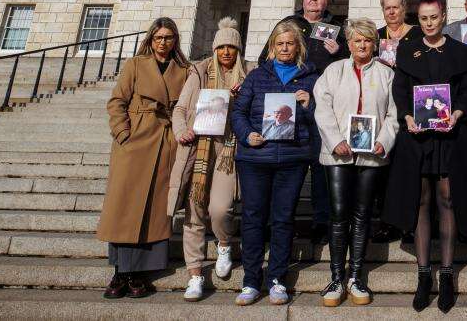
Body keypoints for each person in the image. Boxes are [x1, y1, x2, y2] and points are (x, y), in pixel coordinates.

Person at [384, 0, 467, 313]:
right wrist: (407, 116)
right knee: (422, 199)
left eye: (434, 17)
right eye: (423, 18)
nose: (428, 23)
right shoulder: (407, 49)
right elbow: (400, 89)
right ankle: (424, 275)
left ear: (443, 17)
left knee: (448, 198)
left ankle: (448, 273)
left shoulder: (461, 51)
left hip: (450, 135)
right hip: (418, 137)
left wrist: (458, 113)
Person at [97, 17, 190, 300]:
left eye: (169, 38)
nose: (163, 43)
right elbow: (117, 102)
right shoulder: (135, 65)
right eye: (159, 38)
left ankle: (140, 273)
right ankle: (121, 271)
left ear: (175, 41)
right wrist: (122, 132)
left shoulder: (185, 71)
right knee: (126, 206)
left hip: (165, 141)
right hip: (135, 141)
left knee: (154, 208)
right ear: (150, 39)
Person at [232, 20, 319, 306]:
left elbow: (318, 120)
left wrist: (308, 107)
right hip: (255, 158)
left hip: (292, 159)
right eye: (280, 43)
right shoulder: (256, 76)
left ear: (298, 47)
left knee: (283, 219)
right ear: (272, 46)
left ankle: (278, 279)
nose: (284, 48)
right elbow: (238, 113)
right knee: (253, 218)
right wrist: (247, 135)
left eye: (290, 43)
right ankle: (251, 280)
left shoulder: (310, 77)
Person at [313, 18, 398, 306]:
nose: (362, 45)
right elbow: (322, 107)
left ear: (375, 44)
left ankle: (357, 276)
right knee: (339, 214)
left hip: (371, 156)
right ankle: (336, 277)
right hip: (338, 153)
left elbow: (393, 114)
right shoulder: (334, 70)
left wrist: (383, 141)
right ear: (349, 44)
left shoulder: (387, 74)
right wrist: (334, 138)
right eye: (357, 40)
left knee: (362, 215)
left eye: (367, 40)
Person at [258, 0, 348, 244]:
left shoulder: (336, 28)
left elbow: (348, 63)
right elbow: (267, 57)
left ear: (327, 1)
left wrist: (338, 51)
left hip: (322, 104)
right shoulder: (289, 23)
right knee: (284, 163)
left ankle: (321, 221)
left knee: (321, 165)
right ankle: (279, 221)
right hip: (287, 100)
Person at [170, 17, 248, 302]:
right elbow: (179, 109)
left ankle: (224, 244)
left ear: (238, 51)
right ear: (214, 49)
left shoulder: (248, 74)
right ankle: (194, 275)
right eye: (222, 47)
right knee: (193, 212)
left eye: (232, 47)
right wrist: (182, 131)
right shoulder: (199, 72)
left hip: (229, 150)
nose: (226, 52)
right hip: (199, 148)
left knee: (220, 209)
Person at [372, 0, 422, 243]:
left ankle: (410, 224)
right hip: (381, 108)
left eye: (396, 7)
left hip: (410, 106)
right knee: (384, 169)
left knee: (408, 168)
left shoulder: (416, 34)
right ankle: (386, 222)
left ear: (404, 9)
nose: (392, 12)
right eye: (387, 8)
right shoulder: (376, 36)